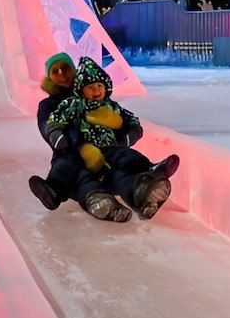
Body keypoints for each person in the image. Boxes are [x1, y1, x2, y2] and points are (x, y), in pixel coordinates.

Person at [50, 56, 179, 220]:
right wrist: (58, 136)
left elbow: (132, 120)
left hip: (109, 149)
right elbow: (55, 120)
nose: (96, 91)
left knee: (124, 159)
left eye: (99, 86)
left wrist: (129, 135)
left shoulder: (112, 106)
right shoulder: (74, 105)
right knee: (84, 178)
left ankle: (143, 190)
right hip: (82, 152)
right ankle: (100, 201)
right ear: (81, 89)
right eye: (91, 87)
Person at [30, 52, 133, 222]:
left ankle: (141, 185)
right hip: (69, 153)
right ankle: (96, 200)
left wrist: (124, 135)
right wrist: (69, 141)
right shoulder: (48, 105)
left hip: (102, 152)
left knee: (118, 167)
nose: (62, 74)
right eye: (56, 72)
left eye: (65, 69)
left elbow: (110, 116)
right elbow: (47, 128)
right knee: (79, 176)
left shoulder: (87, 93)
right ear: (50, 78)